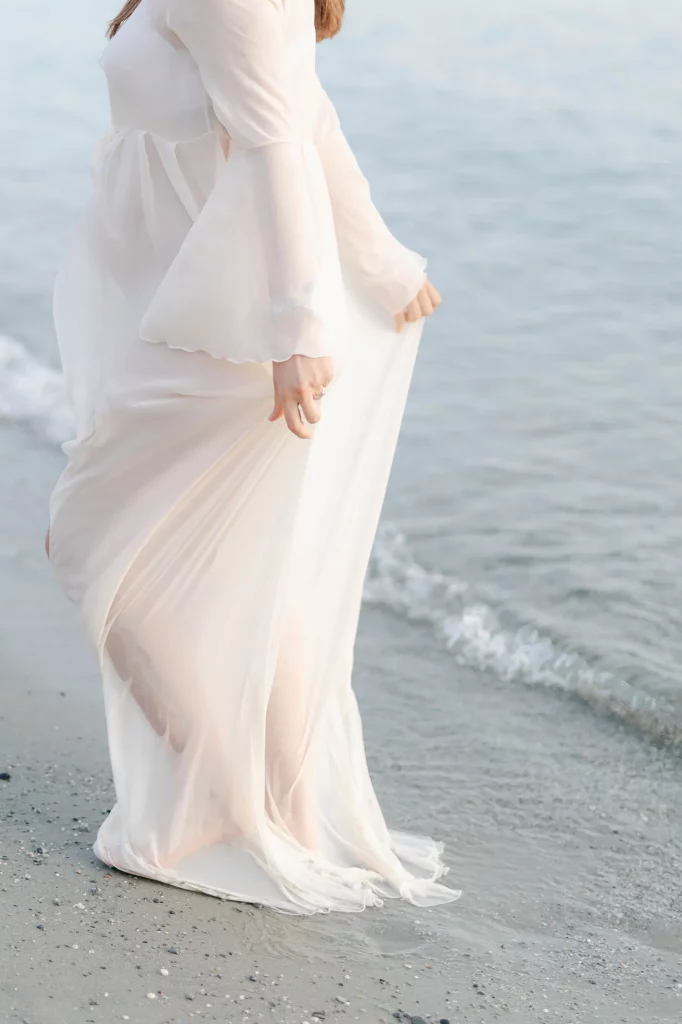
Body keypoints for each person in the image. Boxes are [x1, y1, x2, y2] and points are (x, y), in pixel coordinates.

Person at [47, 0, 460, 913]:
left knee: (86, 544)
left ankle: (228, 802)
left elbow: (284, 146)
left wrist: (300, 329)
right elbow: (309, 123)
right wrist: (383, 264)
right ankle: (281, 812)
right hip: (179, 304)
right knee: (250, 578)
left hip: (216, 328)